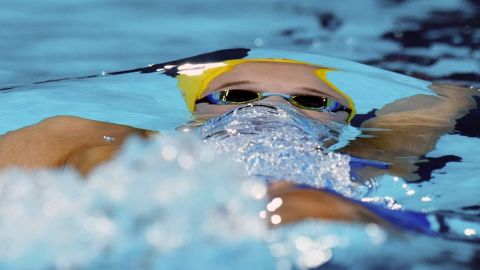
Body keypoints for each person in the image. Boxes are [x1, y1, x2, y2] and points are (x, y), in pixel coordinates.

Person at [0, 53, 477, 234]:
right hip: (152, 207)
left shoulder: (369, 156)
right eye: (235, 96)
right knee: (85, 144)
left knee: (306, 204)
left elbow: (439, 102)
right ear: (195, 113)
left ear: (342, 125)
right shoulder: (110, 142)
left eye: (312, 102)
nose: (272, 107)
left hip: (313, 211)